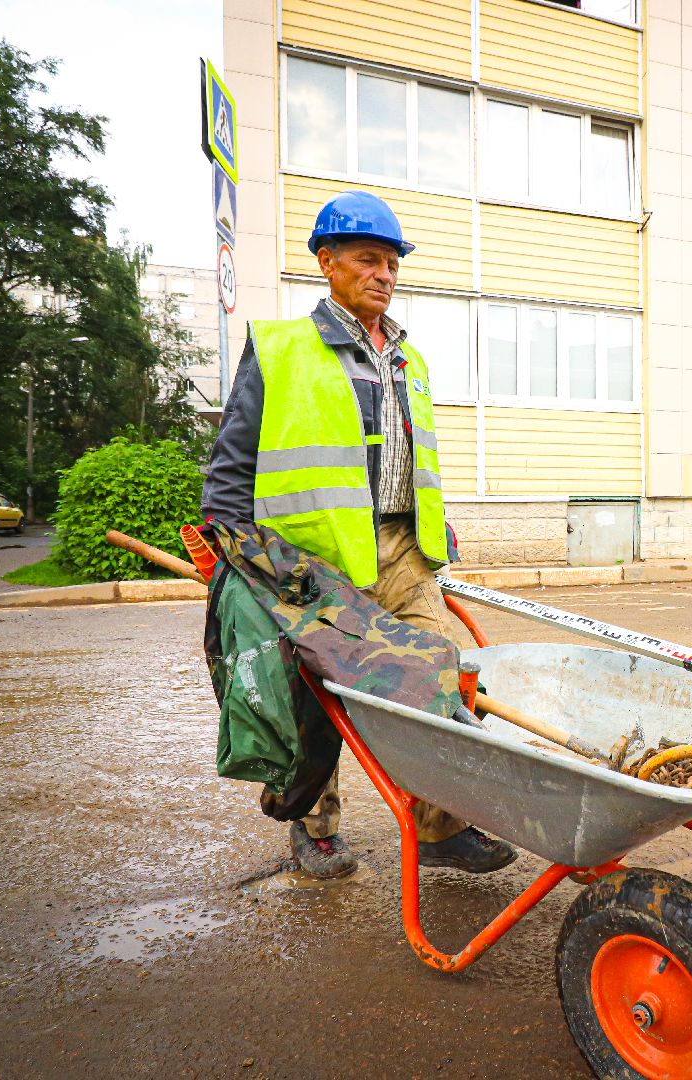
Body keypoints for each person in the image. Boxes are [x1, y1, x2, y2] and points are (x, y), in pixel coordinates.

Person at [202, 191, 516, 880]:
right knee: (317, 700)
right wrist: (228, 555)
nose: (384, 274)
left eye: (392, 263)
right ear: (328, 263)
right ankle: (314, 828)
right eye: (368, 260)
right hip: (310, 560)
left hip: (401, 549)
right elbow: (232, 463)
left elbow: (410, 461)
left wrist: (436, 524)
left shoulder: (409, 359)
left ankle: (440, 825)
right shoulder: (282, 350)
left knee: (442, 670)